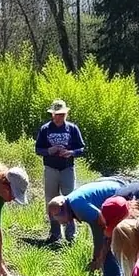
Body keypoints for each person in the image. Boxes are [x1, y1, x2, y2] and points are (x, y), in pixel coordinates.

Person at [47, 177, 127, 276]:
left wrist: (96, 257)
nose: (60, 222)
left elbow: (99, 228)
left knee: (108, 245)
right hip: (117, 187)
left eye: (58, 218)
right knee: (105, 245)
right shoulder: (73, 201)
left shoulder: (78, 205)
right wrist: (97, 256)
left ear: (63, 208)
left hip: (121, 196)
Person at [36, 99, 86, 244]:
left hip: (67, 169)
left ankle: (71, 235)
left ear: (66, 114)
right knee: (51, 201)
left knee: (70, 200)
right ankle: (54, 233)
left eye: (62, 114)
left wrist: (70, 152)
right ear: (52, 115)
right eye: (57, 114)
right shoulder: (45, 129)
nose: (60, 116)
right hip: (51, 169)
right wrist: (49, 151)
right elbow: (38, 149)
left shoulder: (72, 128)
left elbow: (81, 148)